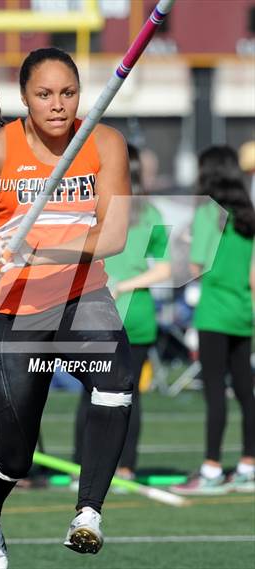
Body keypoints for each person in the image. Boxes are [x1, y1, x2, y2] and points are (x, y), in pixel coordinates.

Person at [0, 47, 133, 569]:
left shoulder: (105, 143)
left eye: (68, 93)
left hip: (80, 294)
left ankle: (88, 513)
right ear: (23, 97)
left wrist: (45, 249)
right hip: (11, 309)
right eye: (44, 94)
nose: (58, 105)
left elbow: (113, 235)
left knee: (117, 382)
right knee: (14, 456)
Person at [73, 144, 171, 481]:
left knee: (91, 392)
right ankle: (126, 466)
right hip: (136, 314)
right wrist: (130, 284)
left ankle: (79, 466)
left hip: (99, 312)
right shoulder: (152, 213)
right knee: (130, 396)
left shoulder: (94, 209)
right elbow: (165, 268)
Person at [172, 145, 255, 495]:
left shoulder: (208, 214)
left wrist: (186, 242)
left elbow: (194, 268)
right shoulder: (248, 216)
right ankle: (249, 465)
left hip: (214, 314)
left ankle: (211, 468)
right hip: (243, 311)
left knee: (215, 394)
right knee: (245, 390)